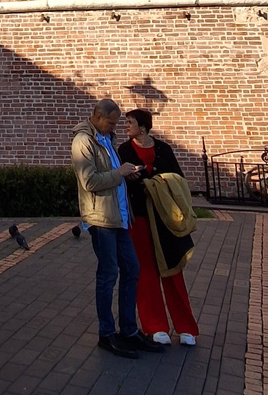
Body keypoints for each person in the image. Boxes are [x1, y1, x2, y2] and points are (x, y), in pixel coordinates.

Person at [71, 98, 165, 359]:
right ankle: (107, 333)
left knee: (132, 268)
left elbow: (111, 173)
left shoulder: (106, 138)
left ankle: (129, 330)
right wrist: (120, 173)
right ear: (98, 117)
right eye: (111, 123)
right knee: (108, 275)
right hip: (101, 219)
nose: (115, 127)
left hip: (119, 217)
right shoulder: (84, 141)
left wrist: (126, 173)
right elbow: (89, 181)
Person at [117, 108, 199, 347]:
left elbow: (178, 179)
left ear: (143, 126)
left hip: (164, 218)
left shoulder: (163, 149)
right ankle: (155, 326)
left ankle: (186, 327)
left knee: (172, 269)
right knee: (146, 270)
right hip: (140, 216)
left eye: (130, 123)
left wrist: (154, 183)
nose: (127, 127)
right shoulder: (124, 150)